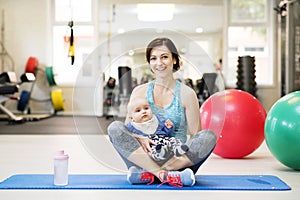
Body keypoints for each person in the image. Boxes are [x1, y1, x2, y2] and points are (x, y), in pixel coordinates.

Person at [108, 37, 217, 187]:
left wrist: (176, 154)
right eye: (153, 58)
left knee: (208, 136)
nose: (159, 63)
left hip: (177, 161)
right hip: (143, 159)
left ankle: (153, 174)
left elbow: (195, 136)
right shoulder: (139, 91)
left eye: (164, 57)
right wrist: (141, 138)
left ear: (174, 60)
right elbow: (127, 131)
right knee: (115, 128)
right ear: (150, 63)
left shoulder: (187, 94)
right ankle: (164, 175)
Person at [126, 97, 189, 162]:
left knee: (173, 140)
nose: (144, 111)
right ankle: (160, 154)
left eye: (146, 108)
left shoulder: (157, 120)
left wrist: (168, 127)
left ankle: (178, 149)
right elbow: (126, 135)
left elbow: (164, 131)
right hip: (151, 144)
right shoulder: (131, 126)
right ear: (131, 118)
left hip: (163, 139)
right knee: (151, 151)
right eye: (138, 110)